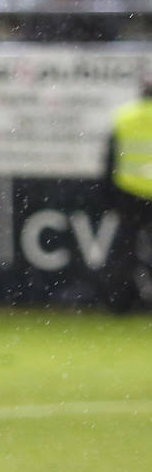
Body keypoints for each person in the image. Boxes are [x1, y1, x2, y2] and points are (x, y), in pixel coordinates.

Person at [102, 72, 152, 311]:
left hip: (129, 192)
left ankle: (120, 302)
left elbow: (109, 159)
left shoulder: (124, 116)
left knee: (125, 250)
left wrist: (108, 193)